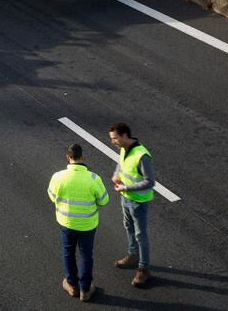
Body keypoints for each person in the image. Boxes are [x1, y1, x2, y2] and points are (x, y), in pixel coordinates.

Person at [48, 143, 108, 303]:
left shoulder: (58, 176)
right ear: (82, 157)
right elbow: (104, 201)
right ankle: (85, 290)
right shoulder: (94, 179)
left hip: (66, 223)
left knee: (68, 252)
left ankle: (72, 285)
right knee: (86, 255)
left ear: (68, 158)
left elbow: (52, 196)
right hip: (88, 225)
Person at [109, 122, 156, 287]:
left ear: (124, 136)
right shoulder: (124, 149)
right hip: (125, 197)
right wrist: (116, 175)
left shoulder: (141, 155)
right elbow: (120, 165)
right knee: (128, 226)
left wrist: (126, 187)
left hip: (138, 202)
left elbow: (150, 182)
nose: (113, 141)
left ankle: (144, 269)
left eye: (115, 138)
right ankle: (133, 254)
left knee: (140, 235)